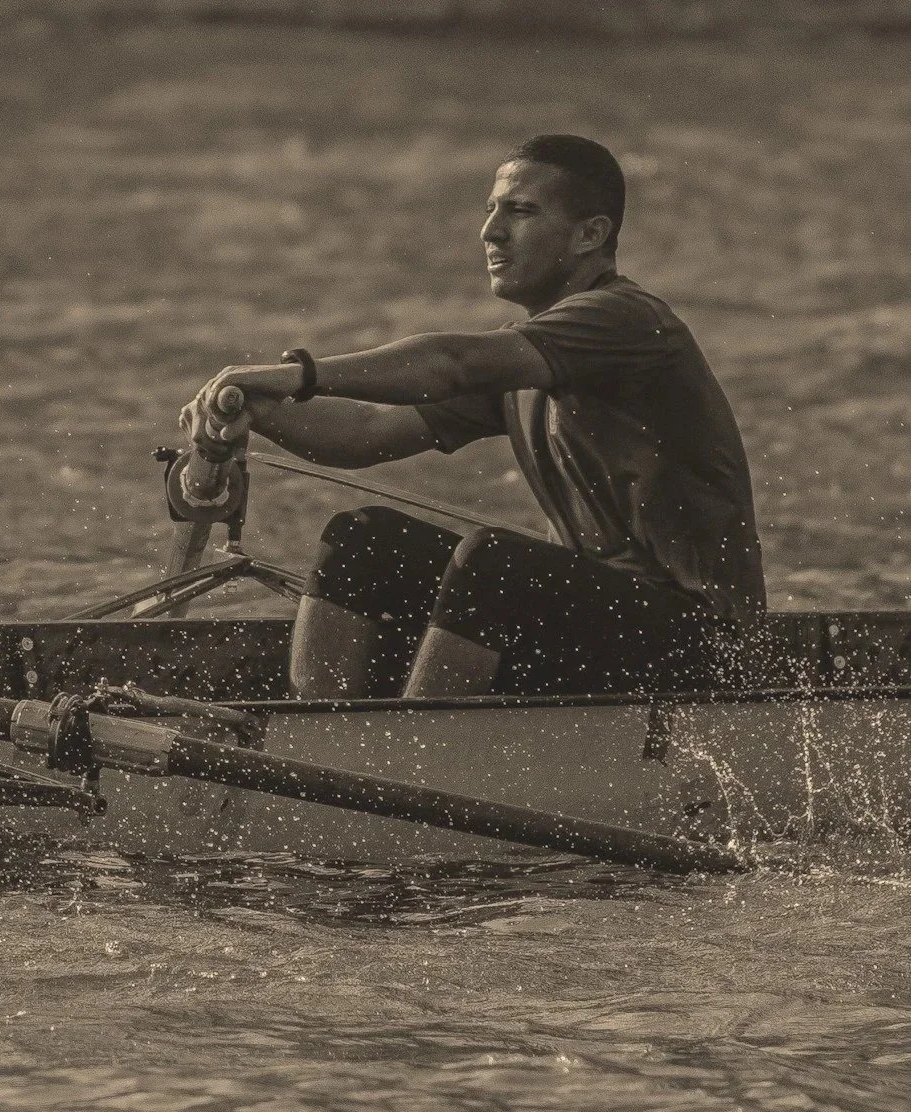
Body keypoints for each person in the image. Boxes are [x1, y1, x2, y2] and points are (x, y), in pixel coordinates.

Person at [180, 134, 762, 699]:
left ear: (591, 234)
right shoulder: (524, 363)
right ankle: (321, 742)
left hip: (708, 649)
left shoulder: (625, 320)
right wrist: (258, 411)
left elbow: (450, 362)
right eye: (490, 210)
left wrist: (301, 373)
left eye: (521, 211)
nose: (491, 231)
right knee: (363, 537)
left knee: (496, 561)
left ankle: (409, 763)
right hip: (600, 634)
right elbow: (365, 432)